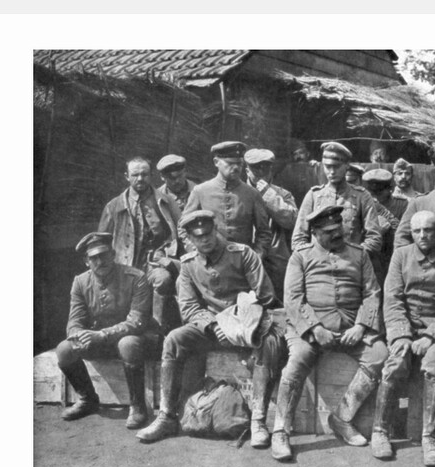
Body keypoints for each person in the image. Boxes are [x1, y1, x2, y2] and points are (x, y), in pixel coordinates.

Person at [135, 211, 284, 448]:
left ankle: (258, 421)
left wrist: (236, 323)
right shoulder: (188, 265)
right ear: (190, 240)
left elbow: (266, 296)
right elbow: (188, 307)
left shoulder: (243, 254)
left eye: (208, 233)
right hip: (211, 329)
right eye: (198, 237)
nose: (205, 240)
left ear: (215, 229)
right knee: (174, 339)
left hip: (245, 327)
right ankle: (166, 416)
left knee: (269, 342)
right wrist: (214, 325)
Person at [271, 205, 388, 462]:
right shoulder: (300, 257)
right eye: (328, 232)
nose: (336, 235)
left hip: (351, 328)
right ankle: (281, 430)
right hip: (309, 329)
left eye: (339, 229)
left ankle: (342, 418)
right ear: (314, 232)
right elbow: (292, 299)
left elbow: (372, 293)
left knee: (379, 354)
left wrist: (360, 326)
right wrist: (315, 328)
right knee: (297, 361)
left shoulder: (359, 255)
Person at [375, 211, 435, 465]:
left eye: (428, 230)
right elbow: (392, 300)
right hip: (405, 328)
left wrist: (430, 336)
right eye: (417, 231)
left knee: (434, 366)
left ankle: (430, 438)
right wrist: (401, 335)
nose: (422, 236)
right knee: (395, 362)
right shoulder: (401, 255)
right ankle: (379, 431)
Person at [55, 232, 155, 428]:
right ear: (86, 261)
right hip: (99, 341)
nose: (100, 261)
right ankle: (87, 399)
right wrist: (78, 335)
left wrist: (102, 334)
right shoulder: (81, 282)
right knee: (64, 350)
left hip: (135, 340)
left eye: (104, 255)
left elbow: (137, 321)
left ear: (114, 254)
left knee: (128, 344)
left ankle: (137, 405)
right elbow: (74, 320)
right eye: (94, 258)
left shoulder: (136, 278)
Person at [98, 156, 182, 335]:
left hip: (155, 264)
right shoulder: (114, 206)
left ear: (151, 175)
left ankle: (157, 331)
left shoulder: (166, 202)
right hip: (125, 265)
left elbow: (180, 232)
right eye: (135, 175)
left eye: (144, 174)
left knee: (163, 279)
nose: (140, 179)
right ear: (126, 176)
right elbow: (102, 241)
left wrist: (168, 256)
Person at [182, 141, 272, 258]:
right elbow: (183, 228)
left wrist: (255, 257)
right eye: (230, 163)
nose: (235, 167)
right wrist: (196, 251)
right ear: (216, 162)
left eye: (239, 164)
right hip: (209, 261)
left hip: (242, 262)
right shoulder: (200, 191)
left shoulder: (252, 194)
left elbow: (264, 233)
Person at [291, 142, 383, 254]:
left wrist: (354, 256)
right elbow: (298, 239)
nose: (332, 172)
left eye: (336, 166)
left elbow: (374, 239)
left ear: (347, 166)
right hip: (318, 266)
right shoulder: (313, 195)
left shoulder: (362, 196)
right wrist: (313, 258)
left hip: (351, 266)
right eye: (327, 167)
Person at [244, 147, 298, 303]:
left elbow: (291, 221)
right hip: (245, 255)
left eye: (266, 170)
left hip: (276, 258)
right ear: (247, 170)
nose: (262, 174)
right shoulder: (238, 192)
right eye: (256, 170)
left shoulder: (283, 194)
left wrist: (268, 194)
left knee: (279, 302)